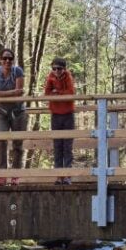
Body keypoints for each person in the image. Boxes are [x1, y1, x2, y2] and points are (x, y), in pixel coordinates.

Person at [0, 48, 26, 185]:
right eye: (4, 58)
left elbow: (19, 93)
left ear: (13, 60)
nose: (7, 61)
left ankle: (15, 175)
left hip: (18, 111)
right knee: (1, 140)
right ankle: (2, 175)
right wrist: (12, 92)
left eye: (10, 58)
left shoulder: (18, 71)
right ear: (0, 60)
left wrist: (2, 94)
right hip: (1, 112)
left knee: (18, 143)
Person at [44, 56, 76, 184]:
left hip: (68, 114)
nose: (56, 71)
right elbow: (47, 93)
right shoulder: (51, 77)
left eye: (59, 69)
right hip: (55, 114)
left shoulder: (68, 76)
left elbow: (71, 92)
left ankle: (67, 175)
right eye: (54, 68)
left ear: (64, 69)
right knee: (57, 146)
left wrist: (58, 92)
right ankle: (58, 175)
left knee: (67, 146)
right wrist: (55, 93)